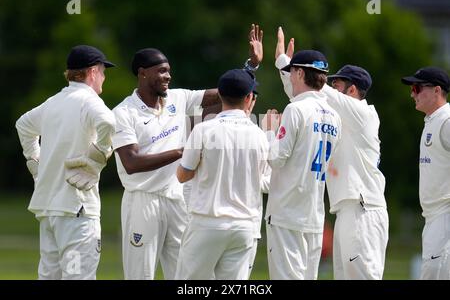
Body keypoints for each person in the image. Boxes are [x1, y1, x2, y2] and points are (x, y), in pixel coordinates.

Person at [112, 24, 263, 280]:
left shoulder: (177, 98)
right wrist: (183, 151)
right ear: (142, 73)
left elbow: (227, 93)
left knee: (182, 276)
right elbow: (132, 162)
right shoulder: (123, 112)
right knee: (140, 275)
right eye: (161, 71)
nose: (168, 76)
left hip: (176, 198)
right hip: (142, 200)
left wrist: (250, 67)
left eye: (169, 71)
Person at [15, 45, 116, 279]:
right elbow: (108, 123)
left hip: (49, 211)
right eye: (102, 71)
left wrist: (35, 162)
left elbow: (23, 125)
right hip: (76, 212)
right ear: (92, 72)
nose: (104, 77)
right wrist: (97, 157)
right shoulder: (88, 101)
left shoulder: (53, 102)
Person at [174, 69, 269, 279]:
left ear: (219, 95)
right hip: (245, 226)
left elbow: (183, 176)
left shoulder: (203, 130)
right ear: (249, 98)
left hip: (207, 222)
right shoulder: (261, 135)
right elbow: (263, 180)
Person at [263, 38, 342, 279]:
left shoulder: (295, 110)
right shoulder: (334, 116)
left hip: (287, 214)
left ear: (298, 73)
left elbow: (276, 158)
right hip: (313, 215)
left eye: (291, 72)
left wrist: (269, 131)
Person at [401, 66, 450, 280]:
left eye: (417, 87)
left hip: (444, 216)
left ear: (437, 91)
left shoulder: (446, 121)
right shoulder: (433, 120)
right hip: (433, 218)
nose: (413, 93)